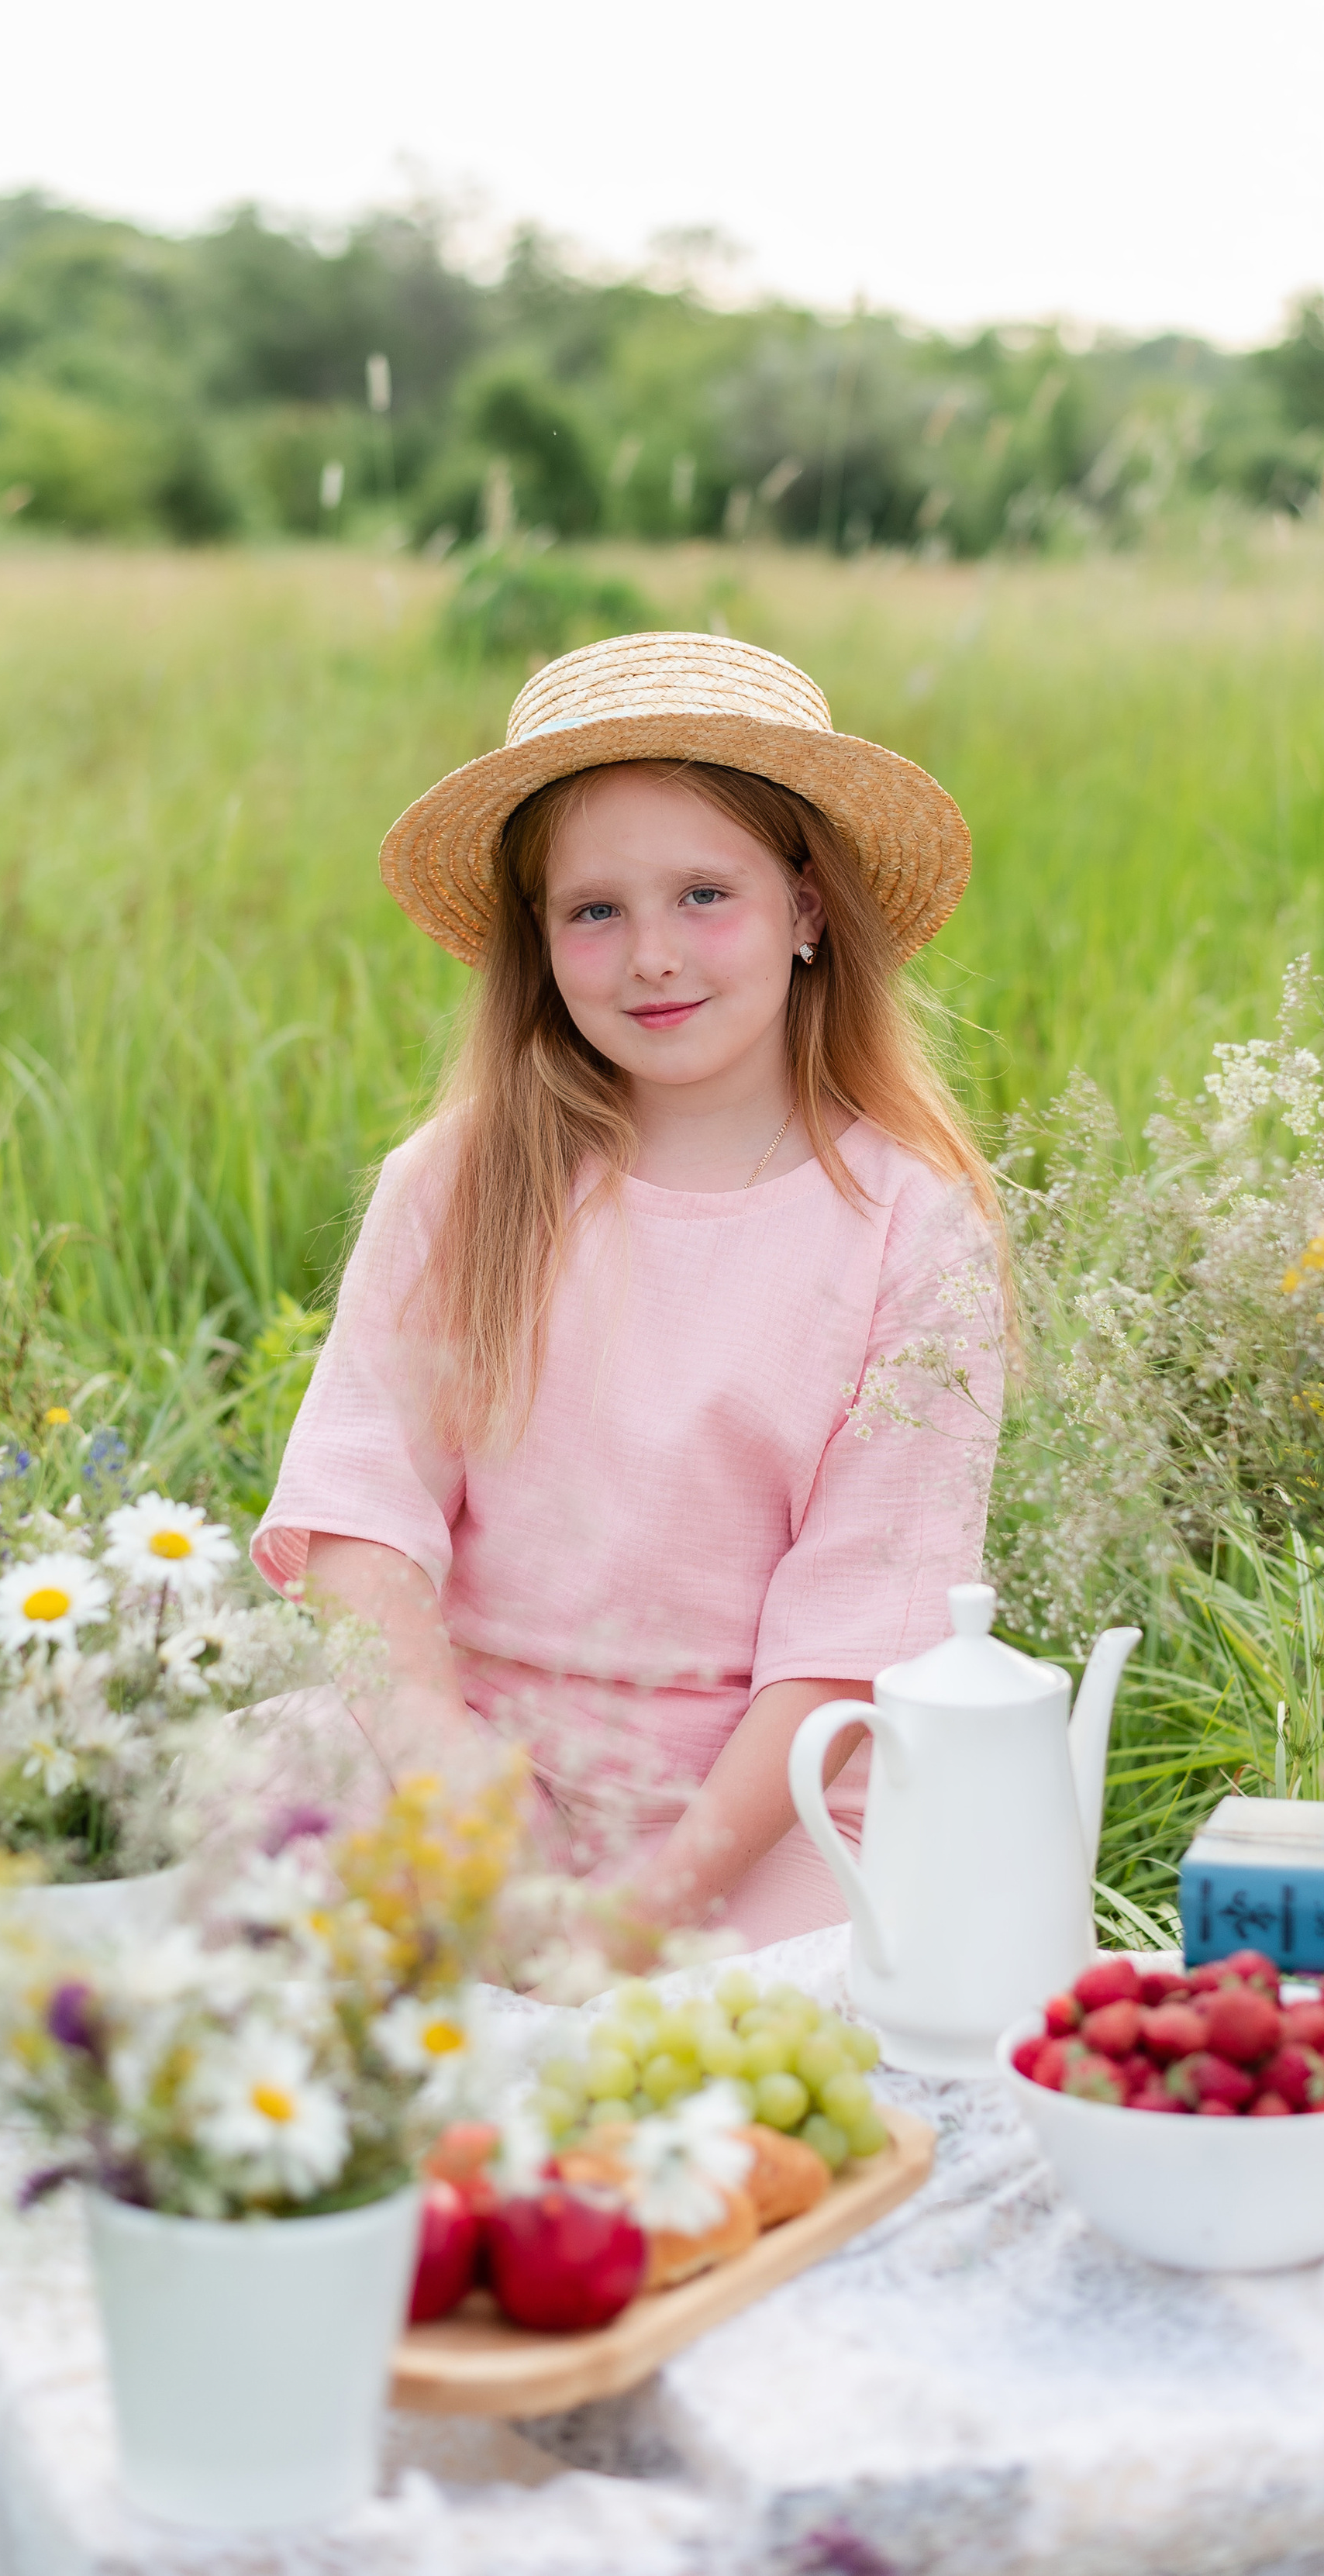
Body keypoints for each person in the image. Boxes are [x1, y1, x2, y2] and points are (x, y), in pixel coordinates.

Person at [252, 630, 1008, 1954]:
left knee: (813, 2020)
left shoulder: (909, 1221)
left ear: (809, 907)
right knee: (278, 1937)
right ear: (540, 945)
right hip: (473, 1764)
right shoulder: (459, 1180)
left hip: (775, 1799)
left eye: (705, 894)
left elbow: (854, 1629)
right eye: (594, 910)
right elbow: (363, 1519)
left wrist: (648, 1909)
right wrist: (457, 1798)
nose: (652, 953)